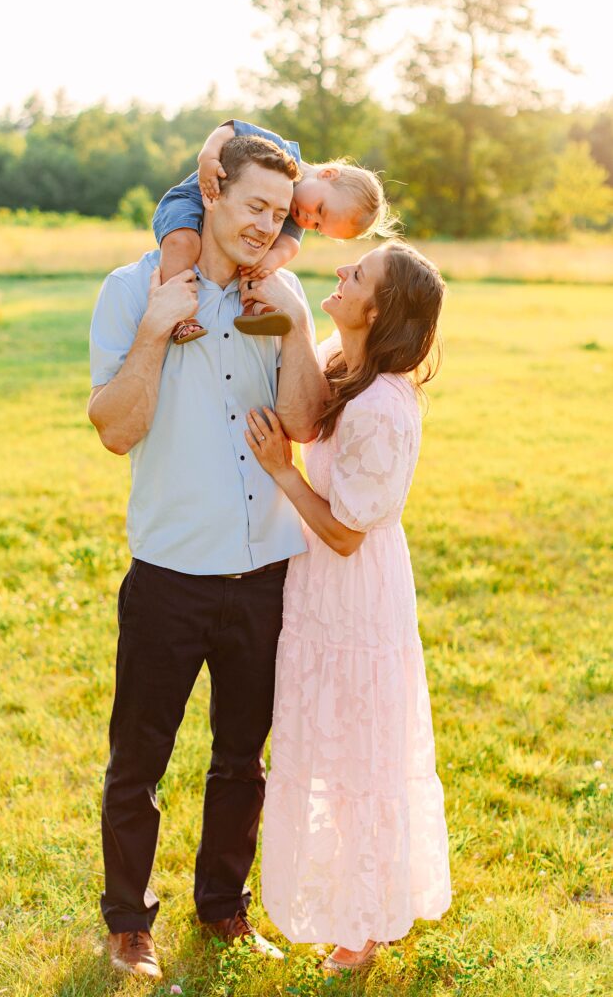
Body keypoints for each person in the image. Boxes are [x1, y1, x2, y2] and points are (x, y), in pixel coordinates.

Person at [87, 134, 329, 979]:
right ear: (211, 192)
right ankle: (128, 925)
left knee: (242, 759)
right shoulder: (133, 290)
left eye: (277, 212)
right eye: (253, 206)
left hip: (264, 572)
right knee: (139, 760)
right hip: (169, 576)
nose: (265, 226)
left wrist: (297, 325)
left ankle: (224, 910)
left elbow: (301, 422)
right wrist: (155, 331)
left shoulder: (283, 292)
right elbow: (115, 429)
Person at [244, 240, 452, 974]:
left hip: (356, 593)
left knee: (360, 755)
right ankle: (354, 906)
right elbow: (293, 372)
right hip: (320, 596)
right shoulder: (345, 360)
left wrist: (281, 470)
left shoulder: (384, 409)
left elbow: (341, 533)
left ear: (379, 309)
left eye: (355, 275)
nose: (340, 273)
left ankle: (361, 925)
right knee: (327, 743)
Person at [153, 118, 389, 343]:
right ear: (327, 175)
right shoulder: (280, 152)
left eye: (317, 225)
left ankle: (254, 307)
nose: (308, 219)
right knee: (184, 242)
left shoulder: (296, 212)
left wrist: (269, 261)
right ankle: (177, 312)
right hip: (194, 196)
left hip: (232, 228)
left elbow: (290, 245)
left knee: (258, 263)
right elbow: (229, 129)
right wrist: (208, 158)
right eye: (319, 208)